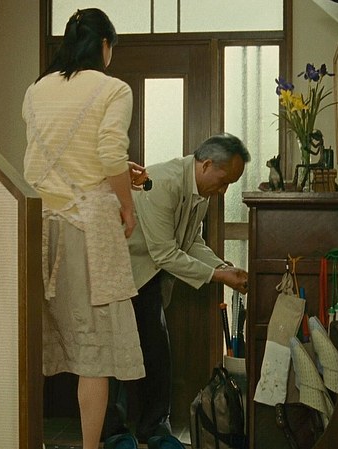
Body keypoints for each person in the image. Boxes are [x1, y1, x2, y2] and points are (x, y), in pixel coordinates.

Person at [22, 8, 148, 449]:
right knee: (94, 354)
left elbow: (48, 158)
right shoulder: (113, 88)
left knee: (33, 342)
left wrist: (116, 173)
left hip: (37, 229)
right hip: (88, 231)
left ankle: (27, 439)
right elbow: (109, 154)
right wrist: (127, 206)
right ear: (105, 45)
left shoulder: (36, 90)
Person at [103, 133, 251, 445]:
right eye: (224, 181)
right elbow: (165, 253)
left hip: (149, 276)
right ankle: (114, 433)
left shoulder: (201, 192)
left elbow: (191, 241)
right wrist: (219, 276)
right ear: (206, 165)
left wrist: (222, 266)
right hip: (121, 270)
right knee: (118, 353)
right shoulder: (161, 182)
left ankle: (155, 429)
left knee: (157, 354)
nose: (224, 191)